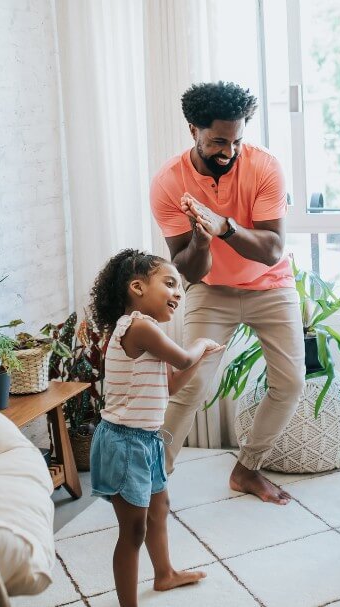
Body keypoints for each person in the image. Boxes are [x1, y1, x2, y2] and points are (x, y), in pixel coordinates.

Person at [150, 81, 304, 504]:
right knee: (190, 385)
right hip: (212, 290)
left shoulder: (264, 167)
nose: (229, 151)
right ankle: (151, 481)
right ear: (192, 131)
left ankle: (247, 469)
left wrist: (225, 228)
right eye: (218, 140)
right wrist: (201, 241)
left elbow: (272, 251)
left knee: (290, 383)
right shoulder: (168, 182)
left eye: (237, 140)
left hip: (270, 286)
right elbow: (188, 272)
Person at [88, 249, 225, 607]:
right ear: (137, 287)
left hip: (146, 440)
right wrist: (200, 344)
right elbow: (182, 356)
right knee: (133, 530)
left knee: (159, 507)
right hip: (123, 442)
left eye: (179, 287)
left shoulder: (149, 333)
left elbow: (172, 385)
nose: (177, 293)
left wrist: (200, 359)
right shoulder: (137, 326)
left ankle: (164, 575)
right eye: (169, 283)